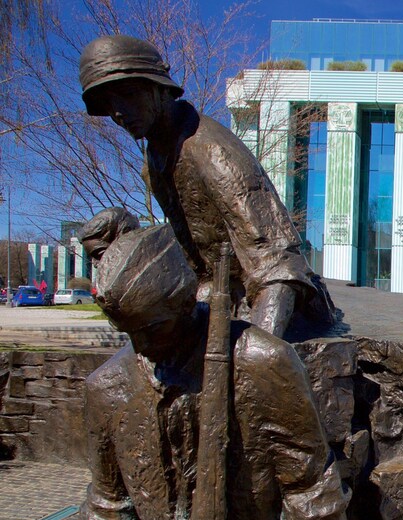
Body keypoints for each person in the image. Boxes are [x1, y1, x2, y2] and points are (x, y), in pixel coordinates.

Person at [79, 225, 349, 520]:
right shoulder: (107, 387)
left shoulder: (263, 363)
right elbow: (106, 517)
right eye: (130, 332)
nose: (141, 345)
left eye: (153, 328)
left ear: (184, 303)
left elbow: (313, 501)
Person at [78, 35, 333, 338]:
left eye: (129, 94)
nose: (118, 112)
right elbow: (193, 257)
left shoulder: (210, 151)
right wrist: (129, 243)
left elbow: (281, 268)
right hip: (213, 301)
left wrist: (260, 355)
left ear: (160, 88)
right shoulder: (156, 159)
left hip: (274, 311)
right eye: (108, 103)